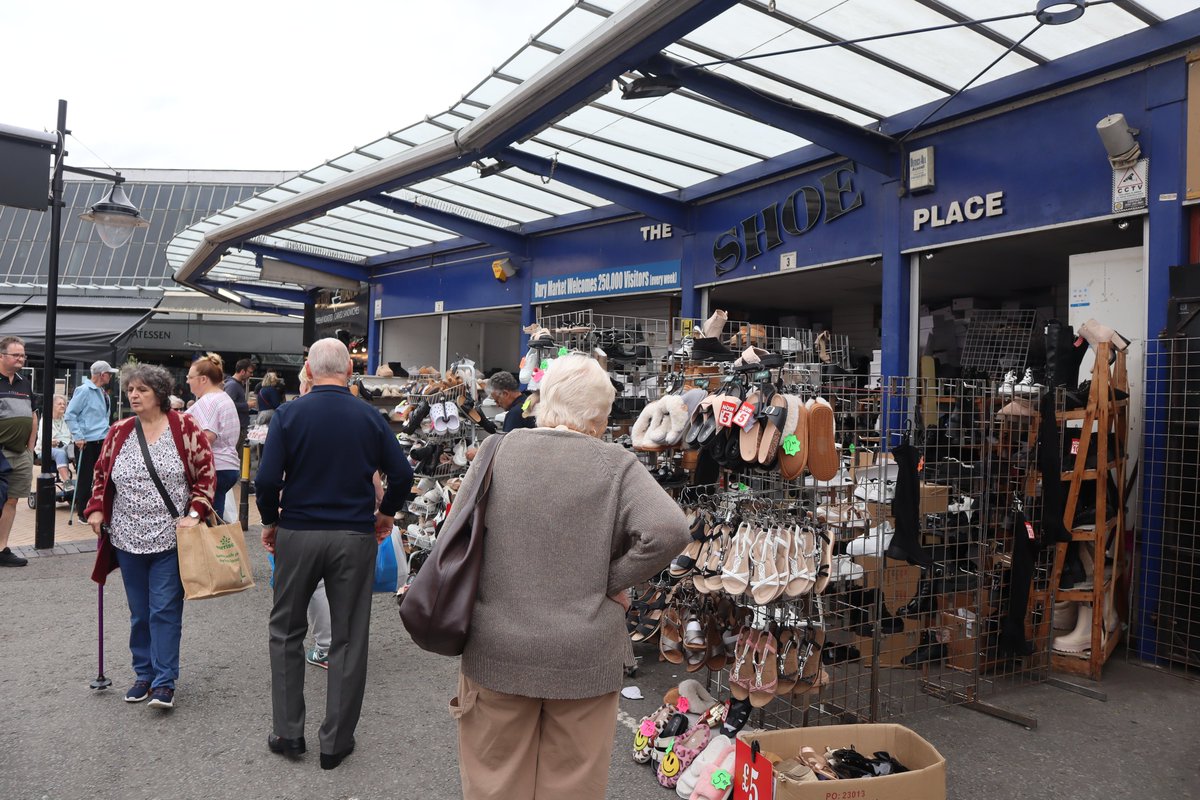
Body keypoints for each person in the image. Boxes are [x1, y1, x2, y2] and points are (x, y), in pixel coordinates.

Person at [451, 354, 689, 800]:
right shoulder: (615, 464)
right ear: (599, 415)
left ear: (543, 400)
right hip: (585, 654)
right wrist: (608, 580)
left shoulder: (497, 450)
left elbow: (454, 538)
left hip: (498, 647)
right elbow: (669, 530)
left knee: (494, 783)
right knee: (572, 787)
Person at [257, 338, 412, 770]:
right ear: (349, 371)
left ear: (308, 367)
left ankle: (288, 733)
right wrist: (385, 514)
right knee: (348, 635)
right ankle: (336, 741)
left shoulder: (289, 414)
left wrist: (271, 520)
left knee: (286, 630)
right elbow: (401, 474)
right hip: (353, 535)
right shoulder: (369, 416)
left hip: (299, 532)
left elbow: (267, 480)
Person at [84, 364, 216, 710]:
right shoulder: (119, 431)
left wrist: (193, 515)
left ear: (159, 394)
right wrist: (96, 508)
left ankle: (164, 681)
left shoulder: (184, 427)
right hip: (126, 538)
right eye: (130, 390)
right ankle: (142, 674)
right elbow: (101, 474)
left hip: (171, 539)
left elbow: (206, 474)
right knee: (139, 612)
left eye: (141, 390)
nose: (134, 395)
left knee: (164, 610)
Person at [185, 354, 241, 521]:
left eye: (190, 377)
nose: (187, 381)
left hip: (214, 468)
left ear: (203, 379)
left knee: (208, 523)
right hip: (227, 466)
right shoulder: (222, 398)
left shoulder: (208, 401)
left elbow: (207, 436)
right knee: (216, 519)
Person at [66, 360, 119, 521]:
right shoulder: (84, 390)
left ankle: (101, 507)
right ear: (102, 374)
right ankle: (83, 512)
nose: (110, 376)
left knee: (103, 475)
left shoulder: (102, 392)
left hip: (102, 439)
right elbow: (70, 415)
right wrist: (78, 436)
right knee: (85, 477)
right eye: (109, 373)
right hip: (86, 442)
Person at [0, 336, 35, 567]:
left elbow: (34, 415)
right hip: (0, 452)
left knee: (12, 501)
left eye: (23, 355)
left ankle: (2, 548)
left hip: (21, 453)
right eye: (16, 355)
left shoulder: (24, 382)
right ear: (2, 356)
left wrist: (30, 449)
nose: (21, 358)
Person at [36, 394, 74, 485]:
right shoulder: (45, 420)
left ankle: (83, 483)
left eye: (64, 404)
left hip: (66, 447)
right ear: (52, 406)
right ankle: (67, 483)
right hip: (45, 449)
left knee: (77, 449)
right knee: (60, 452)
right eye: (59, 404)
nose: (62, 406)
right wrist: (50, 441)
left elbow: (73, 435)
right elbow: (42, 438)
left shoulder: (67, 419)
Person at [224, 358, 254, 450]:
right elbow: (228, 405)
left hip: (240, 427)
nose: (251, 375)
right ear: (242, 371)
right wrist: (247, 405)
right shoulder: (232, 385)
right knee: (240, 458)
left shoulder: (236, 384)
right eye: (250, 372)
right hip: (237, 429)